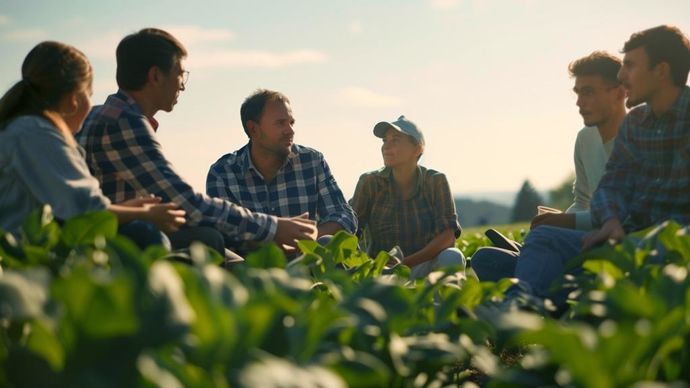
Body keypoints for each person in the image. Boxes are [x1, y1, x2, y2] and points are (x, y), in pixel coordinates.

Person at [76, 28, 317, 260]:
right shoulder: (126, 123)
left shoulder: (99, 115)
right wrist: (272, 227)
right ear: (156, 76)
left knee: (225, 254)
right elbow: (187, 203)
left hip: (101, 237)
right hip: (111, 247)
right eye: (180, 73)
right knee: (206, 240)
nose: (182, 84)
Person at [506, 25, 690, 308]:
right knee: (544, 238)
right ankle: (517, 310)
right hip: (626, 241)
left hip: (674, 245)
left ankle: (559, 297)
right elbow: (613, 184)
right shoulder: (637, 122)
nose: (621, 75)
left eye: (629, 65)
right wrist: (612, 220)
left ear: (661, 70)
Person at [0, 41, 185, 249]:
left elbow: (76, 207)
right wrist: (145, 215)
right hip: (22, 253)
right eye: (89, 94)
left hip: (30, 246)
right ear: (74, 100)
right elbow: (84, 209)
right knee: (146, 236)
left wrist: (125, 210)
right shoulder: (35, 133)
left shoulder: (27, 130)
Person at [471, 51, 627, 281]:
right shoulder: (585, 138)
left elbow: (628, 213)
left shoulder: (639, 139)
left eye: (589, 92)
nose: (579, 102)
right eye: (577, 92)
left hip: (617, 244)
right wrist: (563, 219)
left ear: (620, 92)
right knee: (484, 258)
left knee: (537, 247)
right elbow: (583, 200)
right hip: (586, 240)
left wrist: (567, 222)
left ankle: (525, 283)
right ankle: (534, 264)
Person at [206, 89, 356, 256]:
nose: (290, 130)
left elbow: (344, 215)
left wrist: (308, 241)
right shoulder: (222, 173)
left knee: (328, 242)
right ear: (253, 129)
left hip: (307, 265)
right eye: (280, 123)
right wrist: (273, 239)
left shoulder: (312, 161)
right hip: (251, 272)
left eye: (291, 122)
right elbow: (222, 231)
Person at [350, 115, 464, 279]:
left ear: (417, 149)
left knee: (452, 256)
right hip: (382, 270)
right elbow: (351, 231)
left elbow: (447, 237)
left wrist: (403, 264)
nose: (386, 146)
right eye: (384, 140)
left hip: (423, 265)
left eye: (395, 140)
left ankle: (446, 304)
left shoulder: (435, 180)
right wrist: (368, 263)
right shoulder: (369, 182)